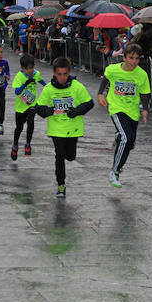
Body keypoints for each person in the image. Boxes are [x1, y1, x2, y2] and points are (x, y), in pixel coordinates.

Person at [36, 57, 94, 198]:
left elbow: (89, 103)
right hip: (57, 129)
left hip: (73, 129)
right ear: (54, 73)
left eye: (65, 74)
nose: (62, 77)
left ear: (69, 73)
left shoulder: (77, 86)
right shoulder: (48, 89)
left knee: (70, 156)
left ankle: (69, 158)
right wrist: (50, 110)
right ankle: (61, 185)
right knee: (59, 155)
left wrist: (76, 111)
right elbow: (39, 108)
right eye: (59, 74)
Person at [97, 43, 151, 188]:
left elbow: (145, 94)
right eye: (131, 58)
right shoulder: (113, 69)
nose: (134, 62)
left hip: (132, 111)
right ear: (124, 57)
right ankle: (114, 172)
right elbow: (105, 79)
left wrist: (145, 110)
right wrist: (100, 94)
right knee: (126, 138)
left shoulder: (141, 74)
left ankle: (118, 137)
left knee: (130, 142)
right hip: (116, 108)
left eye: (137, 59)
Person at [11, 53, 47, 160]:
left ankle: (27, 144)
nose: (30, 71)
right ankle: (15, 145)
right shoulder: (19, 76)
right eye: (28, 69)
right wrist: (25, 84)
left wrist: (50, 86)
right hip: (20, 107)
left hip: (31, 104)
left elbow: (42, 81)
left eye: (32, 68)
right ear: (22, 68)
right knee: (19, 127)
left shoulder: (36, 74)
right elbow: (17, 92)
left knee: (31, 122)